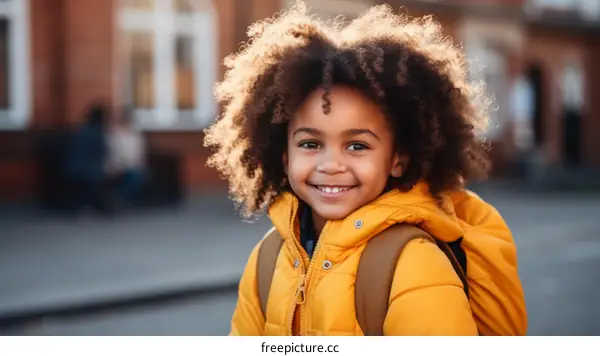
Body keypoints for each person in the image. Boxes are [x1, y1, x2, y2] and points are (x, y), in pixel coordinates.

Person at [204, 3, 526, 336]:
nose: (330, 165)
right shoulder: (269, 258)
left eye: (357, 146)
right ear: (284, 155)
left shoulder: (413, 264)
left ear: (397, 158)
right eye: (310, 144)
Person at [105, 107, 147, 208]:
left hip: (132, 166)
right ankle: (117, 200)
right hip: (116, 165)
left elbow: (139, 152)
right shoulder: (112, 134)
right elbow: (110, 152)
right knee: (129, 175)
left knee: (139, 175)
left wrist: (139, 164)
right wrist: (115, 165)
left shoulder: (135, 134)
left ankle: (119, 199)